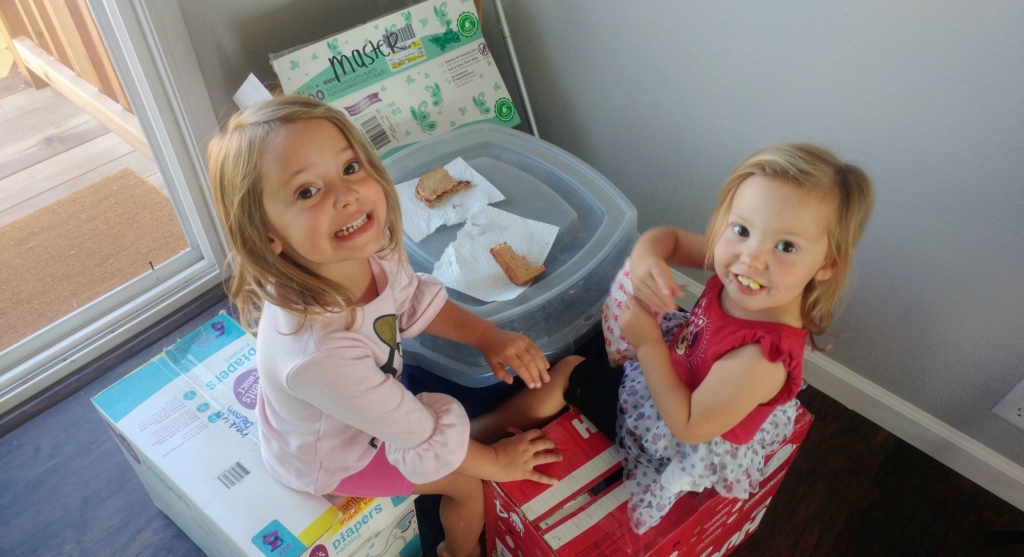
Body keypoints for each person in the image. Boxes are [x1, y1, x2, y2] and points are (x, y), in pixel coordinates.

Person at [206, 96, 565, 557]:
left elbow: (412, 298)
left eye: (350, 167)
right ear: (265, 235)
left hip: (364, 407)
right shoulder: (319, 356)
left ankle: (475, 439)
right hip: (332, 458)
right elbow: (417, 431)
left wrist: (485, 335)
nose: (346, 194)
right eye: (306, 192)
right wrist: (495, 463)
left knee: (456, 445)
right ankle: (459, 552)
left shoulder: (364, 250)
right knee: (467, 484)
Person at [484, 143, 874, 534]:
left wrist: (649, 342)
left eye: (786, 246)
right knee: (623, 301)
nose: (750, 257)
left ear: (827, 264)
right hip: (686, 370)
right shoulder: (747, 268)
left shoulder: (761, 359)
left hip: (678, 434)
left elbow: (687, 424)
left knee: (569, 370)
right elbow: (665, 239)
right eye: (741, 229)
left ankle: (479, 436)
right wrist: (646, 259)